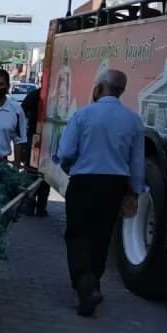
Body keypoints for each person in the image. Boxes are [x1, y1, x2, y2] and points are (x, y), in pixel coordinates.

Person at [54, 68, 145, 317]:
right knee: (102, 236)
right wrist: (134, 193)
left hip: (84, 182)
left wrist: (67, 167)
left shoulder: (83, 115)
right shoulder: (133, 120)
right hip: (114, 186)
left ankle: (84, 282)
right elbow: (137, 163)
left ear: (98, 89)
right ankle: (93, 280)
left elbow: (65, 153)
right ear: (121, 91)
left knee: (77, 234)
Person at [19, 85, 51, 216]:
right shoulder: (45, 94)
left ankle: (30, 206)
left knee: (33, 172)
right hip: (45, 140)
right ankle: (40, 208)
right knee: (44, 175)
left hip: (35, 138)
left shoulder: (36, 94)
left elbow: (21, 112)